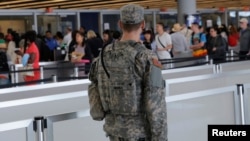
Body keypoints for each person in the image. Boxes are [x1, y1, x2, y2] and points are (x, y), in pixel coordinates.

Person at [88, 4, 167, 141]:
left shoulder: (103, 55)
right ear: (142, 24)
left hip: (114, 132)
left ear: (120, 24)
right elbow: (155, 106)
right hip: (140, 134)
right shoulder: (146, 57)